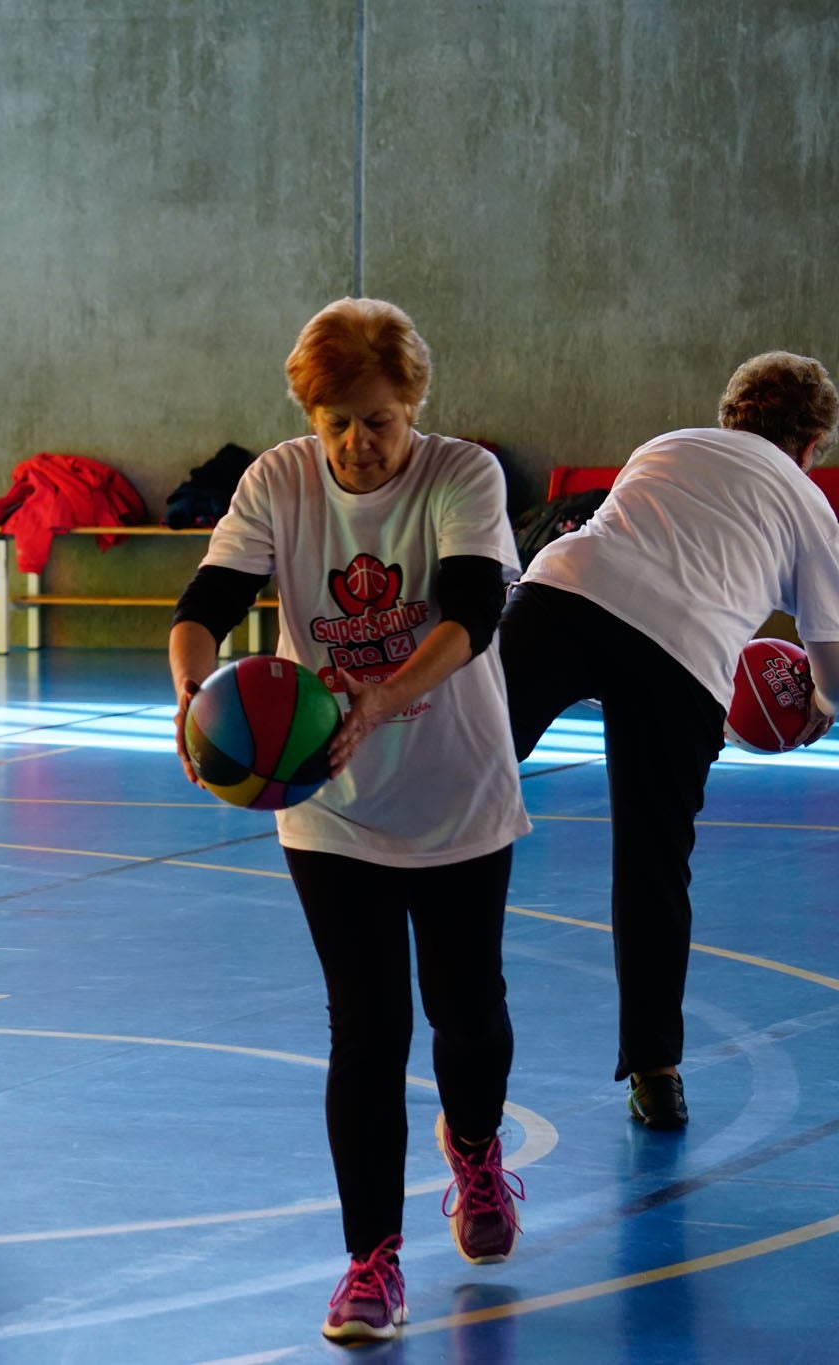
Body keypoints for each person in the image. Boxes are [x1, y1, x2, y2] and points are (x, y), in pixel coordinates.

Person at [168, 298, 530, 1343]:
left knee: (465, 1009)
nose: (353, 445)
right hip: (331, 806)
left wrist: (374, 698)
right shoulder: (276, 479)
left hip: (457, 787)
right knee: (364, 1030)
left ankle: (472, 1150)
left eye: (373, 419)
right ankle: (370, 1260)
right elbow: (202, 608)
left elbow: (470, 607)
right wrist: (196, 701)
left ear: (411, 402)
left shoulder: (461, 474)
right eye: (332, 421)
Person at [500, 351, 839, 1129]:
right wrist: (816, 705)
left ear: (731, 413)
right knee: (653, 867)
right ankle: (655, 1070)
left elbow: (635, 562)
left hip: (564, 595)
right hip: (685, 655)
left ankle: (368, 858)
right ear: (813, 441)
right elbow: (834, 663)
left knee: (465, 758)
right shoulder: (809, 505)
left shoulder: (668, 443)